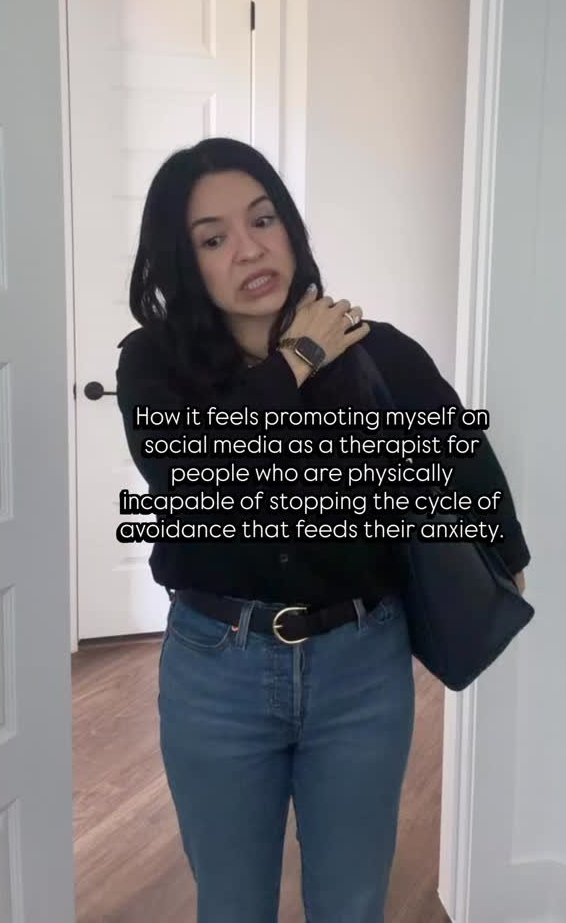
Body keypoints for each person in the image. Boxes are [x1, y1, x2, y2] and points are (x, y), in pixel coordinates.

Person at [116, 137, 530, 923]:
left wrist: (505, 554)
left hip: (361, 668)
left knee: (352, 903)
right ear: (183, 262)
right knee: (232, 905)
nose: (250, 249)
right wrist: (297, 360)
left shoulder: (378, 353)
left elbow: (462, 452)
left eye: (263, 219)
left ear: (290, 226)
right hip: (217, 671)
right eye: (214, 238)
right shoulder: (153, 365)